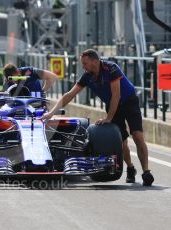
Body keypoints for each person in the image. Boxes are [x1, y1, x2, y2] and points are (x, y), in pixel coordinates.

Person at [42, 49, 154, 186]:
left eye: (85, 63)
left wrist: (109, 118)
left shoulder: (111, 68)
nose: (83, 67)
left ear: (95, 61)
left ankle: (146, 172)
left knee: (137, 135)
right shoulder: (87, 76)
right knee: (121, 141)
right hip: (113, 106)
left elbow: (116, 95)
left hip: (129, 101)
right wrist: (51, 113)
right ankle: (130, 168)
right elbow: (69, 95)